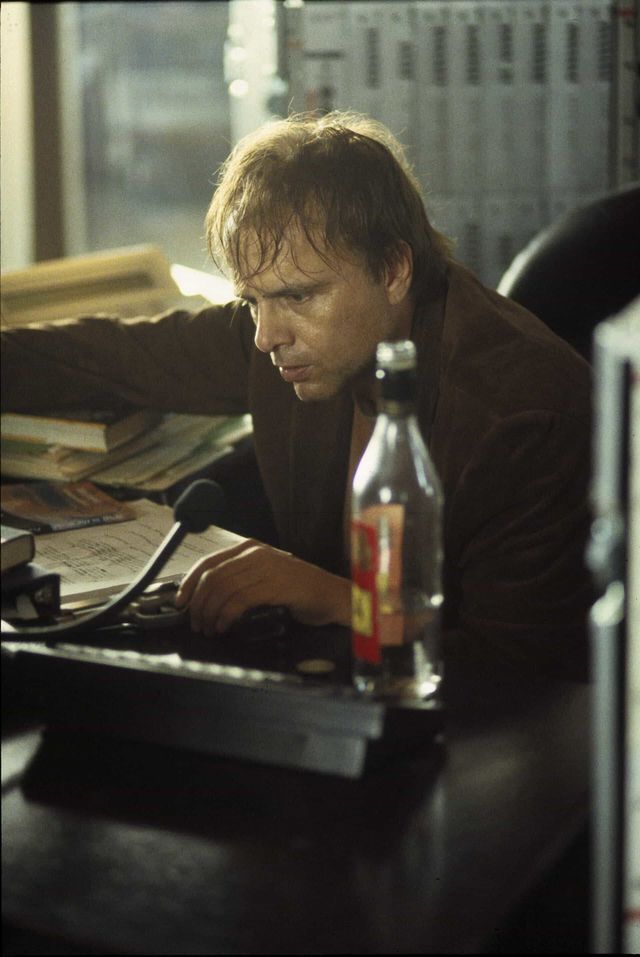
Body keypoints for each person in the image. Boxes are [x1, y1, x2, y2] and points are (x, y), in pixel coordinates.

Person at [1, 112, 593, 680]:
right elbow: (110, 358)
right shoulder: (292, 335)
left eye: (298, 297)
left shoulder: (523, 415)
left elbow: (519, 672)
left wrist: (335, 599)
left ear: (393, 270)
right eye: (252, 301)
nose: (266, 335)